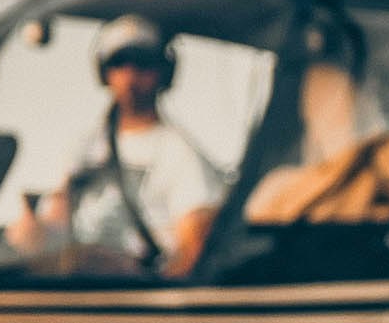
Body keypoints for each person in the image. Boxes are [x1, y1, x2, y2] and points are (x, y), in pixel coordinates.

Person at [14, 24, 232, 274]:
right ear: (104, 73)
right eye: (118, 63)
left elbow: (193, 250)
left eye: (143, 63)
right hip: (76, 285)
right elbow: (54, 223)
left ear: (164, 72)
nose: (130, 75)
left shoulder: (182, 155)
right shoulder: (82, 147)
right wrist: (34, 232)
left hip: (132, 290)